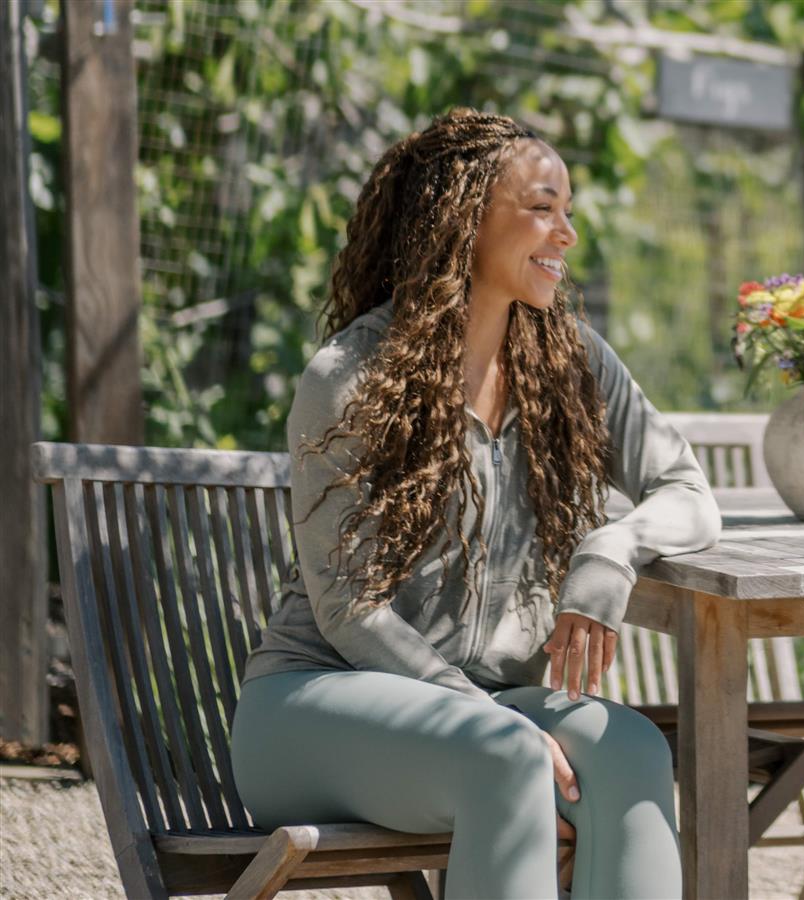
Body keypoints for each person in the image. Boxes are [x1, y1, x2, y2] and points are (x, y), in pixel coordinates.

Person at [229, 108, 721, 899]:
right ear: (461, 216)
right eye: (541, 207)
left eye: (568, 212)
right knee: (507, 754)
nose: (564, 234)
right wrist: (495, 717)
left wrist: (610, 551)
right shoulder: (350, 375)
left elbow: (690, 493)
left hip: (487, 713)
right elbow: (349, 610)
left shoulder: (571, 361)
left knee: (629, 748)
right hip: (314, 707)